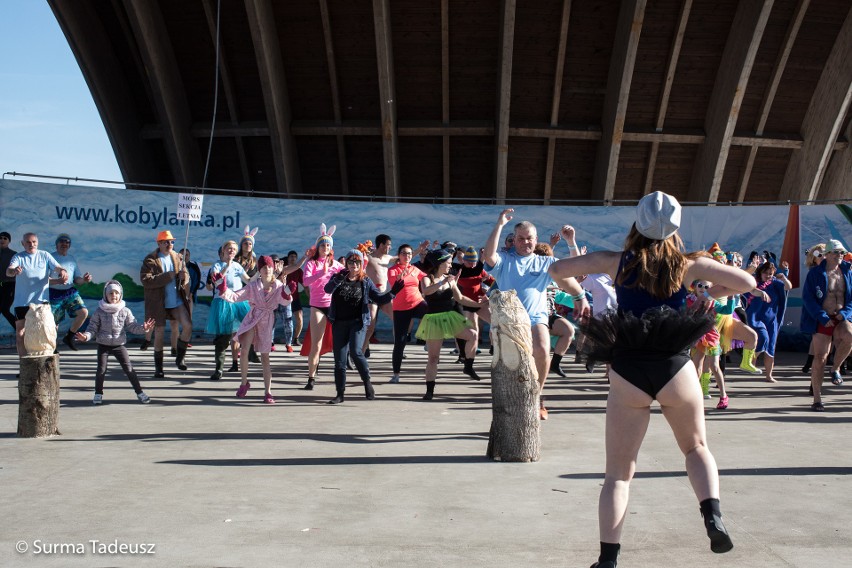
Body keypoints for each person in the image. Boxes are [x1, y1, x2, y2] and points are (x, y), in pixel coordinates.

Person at [549, 191, 756, 567]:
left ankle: (608, 559)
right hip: (674, 365)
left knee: (618, 474)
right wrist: (706, 290)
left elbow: (557, 271)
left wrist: (576, 292)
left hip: (628, 370)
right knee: (695, 448)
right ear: (675, 228)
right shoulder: (690, 264)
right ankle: (712, 515)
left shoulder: (614, 261)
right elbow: (745, 282)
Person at [483, 211, 589, 420]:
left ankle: (536, 395)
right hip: (509, 322)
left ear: (536, 239)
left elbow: (574, 270)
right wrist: (500, 225)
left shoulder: (544, 262)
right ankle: (512, 405)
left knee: (542, 348)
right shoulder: (505, 259)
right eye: (521, 239)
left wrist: (571, 242)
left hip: (536, 318)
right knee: (511, 366)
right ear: (514, 240)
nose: (525, 242)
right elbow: (488, 256)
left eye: (530, 238)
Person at [323, 249, 396, 404]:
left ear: (361, 264)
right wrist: (338, 279)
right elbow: (327, 289)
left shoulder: (366, 281)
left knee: (356, 352)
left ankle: (367, 383)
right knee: (339, 361)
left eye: (357, 262)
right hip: (339, 323)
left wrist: (394, 291)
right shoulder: (339, 277)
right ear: (347, 263)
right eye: (351, 262)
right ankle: (340, 394)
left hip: (358, 322)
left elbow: (378, 298)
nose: (354, 265)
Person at [219, 255, 294, 404]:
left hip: (267, 320)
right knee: (245, 350)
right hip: (252, 318)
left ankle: (268, 391)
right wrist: (222, 287)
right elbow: (235, 296)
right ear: (259, 270)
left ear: (273, 268)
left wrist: (287, 293)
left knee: (265, 356)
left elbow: (284, 302)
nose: (267, 269)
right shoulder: (253, 286)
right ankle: (244, 383)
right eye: (264, 267)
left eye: (269, 267)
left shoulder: (278, 285)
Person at [416, 248, 485, 399]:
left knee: (473, 335)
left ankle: (468, 365)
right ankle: (429, 391)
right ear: (439, 264)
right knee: (433, 358)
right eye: (447, 263)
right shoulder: (427, 278)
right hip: (434, 320)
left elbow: (460, 298)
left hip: (450, 317)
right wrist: (443, 281)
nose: (450, 265)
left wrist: (479, 304)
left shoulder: (450, 279)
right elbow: (426, 291)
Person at [75, 280, 156, 404]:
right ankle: (98, 394)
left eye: (116, 293)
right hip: (103, 344)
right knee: (101, 370)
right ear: (105, 295)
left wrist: (143, 328)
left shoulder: (125, 311)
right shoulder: (99, 311)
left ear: (120, 295)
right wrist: (85, 337)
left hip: (119, 345)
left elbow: (132, 326)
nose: (114, 295)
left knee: (129, 369)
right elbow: (92, 329)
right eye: (110, 293)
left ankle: (140, 392)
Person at [800, 239, 851, 411]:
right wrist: (821, 316)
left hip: (840, 317)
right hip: (822, 318)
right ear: (827, 254)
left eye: (842, 253)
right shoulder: (815, 273)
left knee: (850, 336)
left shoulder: (847, 272)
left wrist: (844, 314)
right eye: (836, 252)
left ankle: (835, 369)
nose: (840, 256)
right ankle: (817, 399)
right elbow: (808, 298)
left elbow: (850, 299)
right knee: (820, 357)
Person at [140, 230, 192, 378]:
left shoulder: (178, 256)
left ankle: (180, 358)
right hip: (158, 302)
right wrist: (167, 276)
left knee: (188, 326)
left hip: (176, 300)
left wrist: (184, 278)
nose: (170, 244)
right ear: (159, 243)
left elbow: (186, 275)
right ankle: (159, 368)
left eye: (171, 241)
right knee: (159, 333)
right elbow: (146, 280)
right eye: (166, 242)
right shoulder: (150, 259)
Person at [6, 233, 68, 358]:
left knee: (47, 331)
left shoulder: (44, 255)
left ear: (37, 243)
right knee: (21, 333)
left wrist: (62, 271)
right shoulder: (18, 257)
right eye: (28, 242)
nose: (31, 244)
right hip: (22, 302)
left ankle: (47, 361)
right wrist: (14, 271)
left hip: (41, 302)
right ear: (23, 244)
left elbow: (57, 267)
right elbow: (9, 271)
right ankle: (24, 364)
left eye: (34, 242)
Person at [301, 224, 344, 390]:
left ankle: (339, 375)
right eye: (323, 244)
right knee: (316, 344)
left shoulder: (336, 265)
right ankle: (311, 378)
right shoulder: (312, 264)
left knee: (339, 343)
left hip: (334, 306)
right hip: (317, 306)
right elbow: (306, 282)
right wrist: (322, 272)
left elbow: (349, 275)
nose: (325, 247)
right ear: (318, 247)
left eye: (328, 245)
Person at [206, 240, 251, 380]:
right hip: (223, 303)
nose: (231, 251)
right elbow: (217, 280)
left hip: (238, 302)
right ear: (223, 250)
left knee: (249, 327)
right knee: (223, 338)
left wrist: (263, 276)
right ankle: (219, 369)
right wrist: (228, 265)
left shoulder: (238, 266)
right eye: (229, 248)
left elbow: (248, 280)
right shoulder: (217, 265)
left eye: (234, 249)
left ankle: (251, 354)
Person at [744, 260, 792, 383]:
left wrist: (784, 278)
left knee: (770, 349)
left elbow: (788, 287)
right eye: (766, 273)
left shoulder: (775, 283)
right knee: (762, 339)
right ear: (761, 272)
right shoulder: (754, 283)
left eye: (771, 273)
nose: (768, 276)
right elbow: (746, 286)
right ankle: (750, 364)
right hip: (756, 318)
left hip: (771, 320)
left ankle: (768, 375)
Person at [387, 243, 428, 383]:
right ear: (399, 255)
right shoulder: (392, 270)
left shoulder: (415, 269)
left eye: (409, 254)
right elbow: (394, 285)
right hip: (400, 309)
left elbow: (426, 277)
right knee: (400, 342)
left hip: (417, 303)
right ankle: (396, 374)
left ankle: (429, 341)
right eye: (404, 253)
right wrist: (400, 276)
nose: (407, 256)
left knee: (433, 313)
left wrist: (436, 283)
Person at [49, 233, 93, 351]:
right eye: (62, 241)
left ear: (69, 245)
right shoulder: (50, 258)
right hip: (53, 293)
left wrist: (84, 280)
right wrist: (57, 281)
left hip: (69, 292)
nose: (64, 244)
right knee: (54, 323)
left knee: (83, 312)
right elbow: (44, 280)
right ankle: (52, 347)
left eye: (67, 242)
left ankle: (69, 336)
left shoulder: (71, 259)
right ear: (56, 244)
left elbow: (76, 279)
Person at [285, 250, 306, 345]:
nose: (293, 258)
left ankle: (295, 338)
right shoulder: (283, 269)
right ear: (288, 258)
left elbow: (304, 284)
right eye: (291, 256)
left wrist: (310, 293)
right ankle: (272, 341)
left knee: (300, 319)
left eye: (294, 257)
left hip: (295, 299)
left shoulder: (299, 271)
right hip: (283, 299)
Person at [0, 231, 18, 330]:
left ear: (9, 241)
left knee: (4, 309)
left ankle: (20, 330)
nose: (2, 240)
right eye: (0, 238)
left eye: (5, 238)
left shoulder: (13, 255)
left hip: (10, 285)